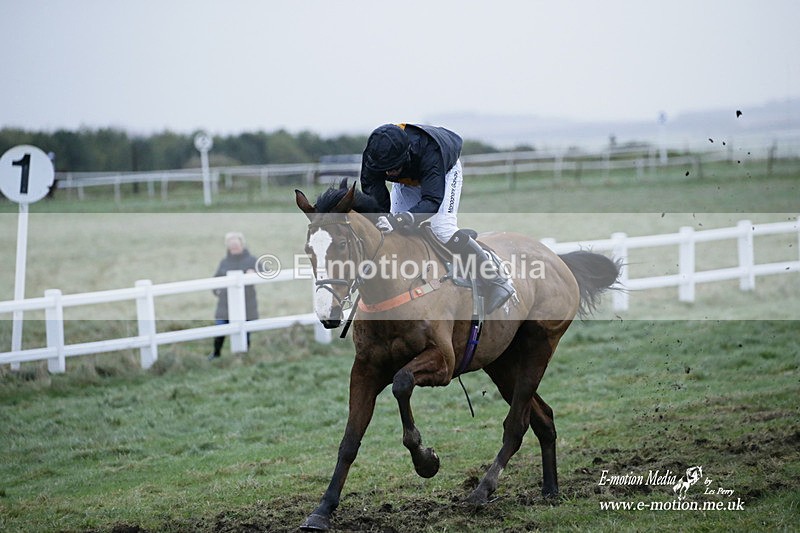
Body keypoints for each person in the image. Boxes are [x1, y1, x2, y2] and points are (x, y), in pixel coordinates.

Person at [360, 123, 514, 314]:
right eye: (385, 169)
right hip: (408, 178)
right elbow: (376, 200)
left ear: (406, 153)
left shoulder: (429, 151)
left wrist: (400, 219)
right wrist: (385, 220)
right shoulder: (373, 158)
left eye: (393, 167)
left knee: (442, 229)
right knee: (391, 230)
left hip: (444, 171)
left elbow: (432, 201)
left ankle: (495, 279)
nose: (389, 173)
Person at [209, 232, 259, 359]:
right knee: (220, 328)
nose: (234, 248)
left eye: (236, 245)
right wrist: (217, 290)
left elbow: (265, 272)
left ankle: (243, 355)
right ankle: (216, 353)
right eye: (231, 246)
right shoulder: (224, 262)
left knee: (245, 330)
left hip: (246, 303)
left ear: (242, 244)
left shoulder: (252, 260)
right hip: (225, 304)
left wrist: (254, 273)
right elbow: (215, 279)